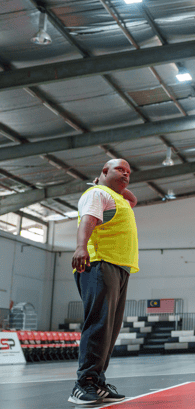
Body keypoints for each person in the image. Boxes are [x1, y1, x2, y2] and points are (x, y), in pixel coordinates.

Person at [69, 159, 139, 405]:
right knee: (99, 324)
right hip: (99, 263)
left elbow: (133, 199)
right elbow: (88, 220)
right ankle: (84, 383)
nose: (126, 175)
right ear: (104, 171)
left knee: (110, 329)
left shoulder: (118, 198)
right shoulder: (97, 193)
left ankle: (97, 382)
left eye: (128, 172)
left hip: (119, 266)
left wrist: (116, 183)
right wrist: (81, 247)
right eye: (120, 170)